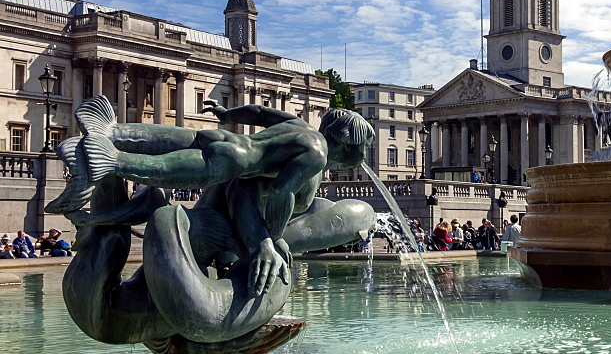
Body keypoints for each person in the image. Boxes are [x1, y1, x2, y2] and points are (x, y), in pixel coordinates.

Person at [56, 97, 374, 294]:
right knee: (158, 169)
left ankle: (110, 131)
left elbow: (261, 112)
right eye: (362, 146)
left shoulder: (302, 127)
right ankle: (107, 160)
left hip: (225, 137)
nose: (363, 154)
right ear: (347, 141)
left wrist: (227, 113)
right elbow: (281, 192)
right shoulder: (316, 155)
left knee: (172, 141)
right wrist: (271, 239)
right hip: (231, 162)